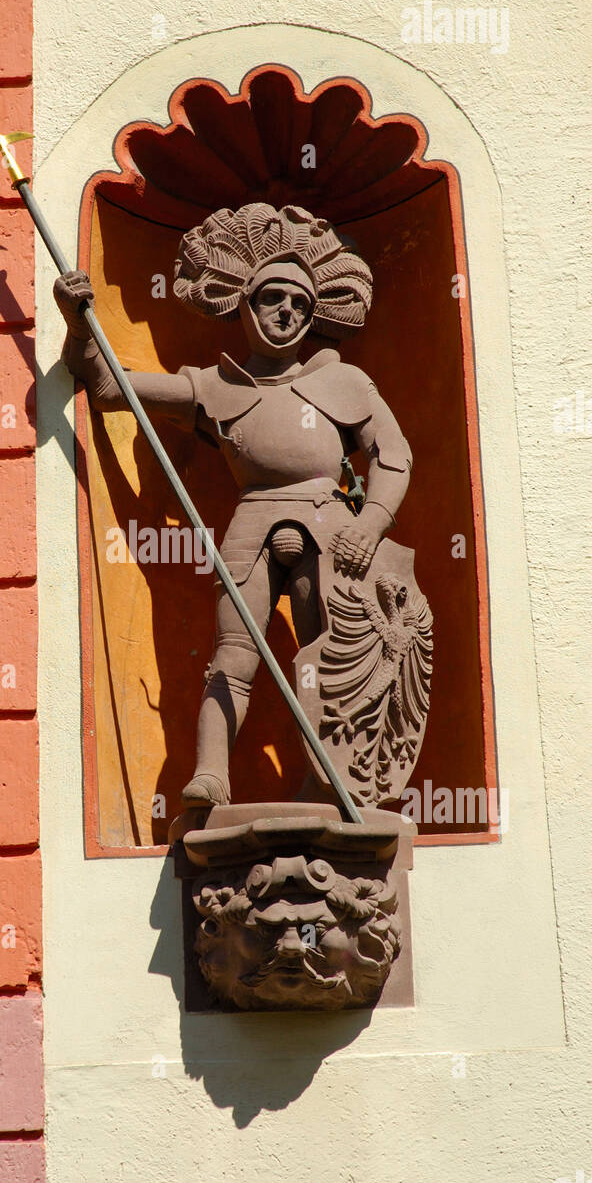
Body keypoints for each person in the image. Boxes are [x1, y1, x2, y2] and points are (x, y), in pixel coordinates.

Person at [54, 203, 412, 808]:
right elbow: (111, 385)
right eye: (274, 298)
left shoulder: (344, 381)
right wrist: (79, 321)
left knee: (323, 655)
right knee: (235, 653)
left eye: (300, 304)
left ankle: (333, 780)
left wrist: (372, 523)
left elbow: (395, 457)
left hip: (333, 532)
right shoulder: (214, 386)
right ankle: (212, 776)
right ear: (244, 303)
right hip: (252, 525)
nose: (287, 313)